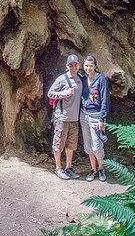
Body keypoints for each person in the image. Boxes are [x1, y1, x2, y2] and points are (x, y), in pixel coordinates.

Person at [47, 54, 83, 180]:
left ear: (78, 65)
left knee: (71, 145)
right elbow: (50, 93)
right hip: (62, 118)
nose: (73, 67)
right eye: (70, 65)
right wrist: (63, 93)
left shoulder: (80, 79)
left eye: (75, 64)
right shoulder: (62, 79)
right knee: (58, 143)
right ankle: (58, 168)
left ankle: (68, 167)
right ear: (67, 66)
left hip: (74, 119)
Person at [80, 54, 109, 182]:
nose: (88, 68)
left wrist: (102, 119)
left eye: (91, 66)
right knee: (88, 146)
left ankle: (101, 168)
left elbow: (105, 100)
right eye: (86, 66)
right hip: (84, 115)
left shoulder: (101, 79)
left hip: (96, 116)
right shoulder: (83, 79)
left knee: (97, 146)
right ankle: (93, 169)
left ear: (95, 66)